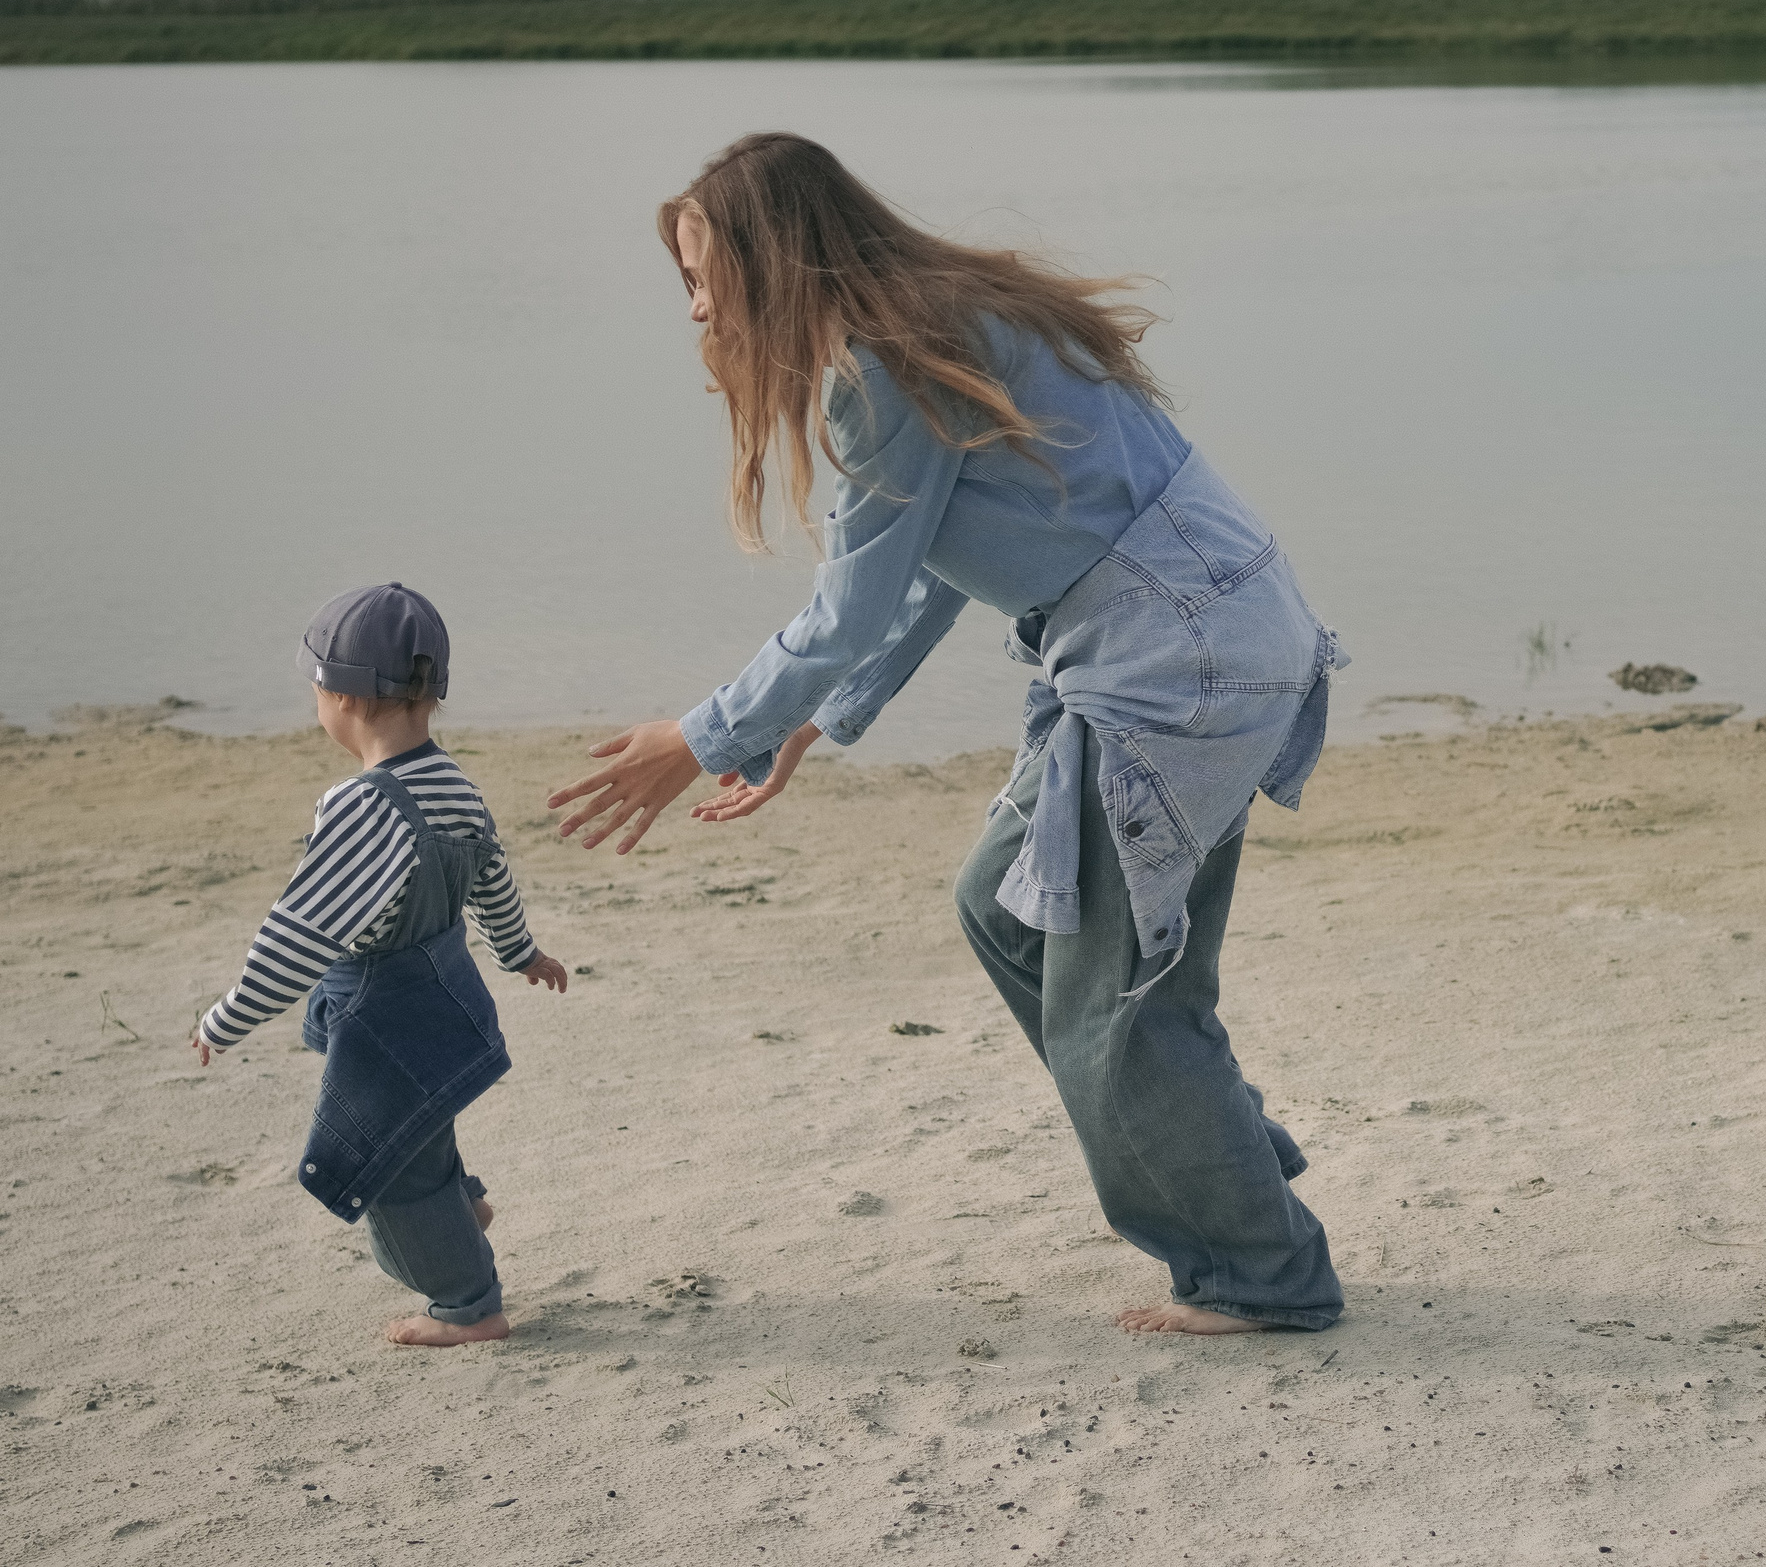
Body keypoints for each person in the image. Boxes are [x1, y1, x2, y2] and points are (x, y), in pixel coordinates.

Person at [547, 132, 1345, 1335]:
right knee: (1006, 908)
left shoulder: (881, 367)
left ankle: (1261, 1271)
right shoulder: (946, 319)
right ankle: (1214, 1156)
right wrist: (817, 717)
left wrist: (699, 739)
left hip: (1168, 668)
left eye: (704, 275)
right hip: (1212, 631)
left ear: (777, 258)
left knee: (1114, 1002)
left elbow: (848, 606)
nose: (698, 306)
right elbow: (925, 575)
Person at [191, 583, 569, 1346]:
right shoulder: (454, 782)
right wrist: (519, 950)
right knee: (419, 1124)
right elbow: (492, 877)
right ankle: (459, 1204)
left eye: (316, 685)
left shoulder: (365, 805)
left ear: (345, 698)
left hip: (391, 1013)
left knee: (386, 1163)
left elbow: (299, 933)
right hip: (447, 993)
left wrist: (228, 1016)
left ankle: (469, 1306)